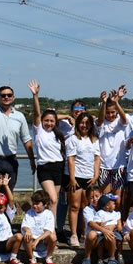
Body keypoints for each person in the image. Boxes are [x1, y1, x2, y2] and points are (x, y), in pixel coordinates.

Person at [0, 54, 33, 199]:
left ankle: (7, 215)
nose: (6, 97)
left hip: (11, 161)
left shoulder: (20, 116)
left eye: (9, 95)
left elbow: (27, 140)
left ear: (13, 97)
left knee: (8, 196)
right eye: (3, 95)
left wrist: (32, 161)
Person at [27, 80, 65, 222]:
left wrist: (68, 116)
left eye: (52, 121)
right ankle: (51, 230)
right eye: (46, 120)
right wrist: (35, 96)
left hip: (59, 167)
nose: (49, 123)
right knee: (53, 200)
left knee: (52, 202)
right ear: (42, 121)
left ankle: (47, 227)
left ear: (55, 122)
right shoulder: (39, 131)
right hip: (45, 168)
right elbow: (37, 114)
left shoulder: (58, 134)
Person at [66, 111, 101, 248]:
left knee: (86, 207)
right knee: (74, 206)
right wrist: (72, 178)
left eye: (87, 123)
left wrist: (96, 176)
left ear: (91, 125)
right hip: (76, 177)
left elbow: (97, 159)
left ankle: (85, 232)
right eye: (82, 123)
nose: (84, 125)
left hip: (89, 177)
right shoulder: (73, 139)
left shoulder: (95, 140)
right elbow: (71, 159)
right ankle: (74, 234)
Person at [56, 99, 86, 241]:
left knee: (81, 203)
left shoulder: (86, 124)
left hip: (82, 168)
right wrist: (67, 117)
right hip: (65, 166)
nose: (78, 111)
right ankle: (60, 229)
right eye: (75, 109)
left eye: (81, 109)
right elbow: (49, 117)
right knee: (64, 201)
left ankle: (80, 230)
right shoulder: (65, 124)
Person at [96, 88, 128, 207]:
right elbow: (100, 121)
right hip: (104, 166)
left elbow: (124, 118)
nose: (110, 115)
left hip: (118, 165)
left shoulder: (120, 122)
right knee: (106, 200)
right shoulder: (100, 123)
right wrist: (104, 103)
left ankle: (117, 218)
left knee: (117, 201)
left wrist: (116, 102)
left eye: (113, 112)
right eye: (108, 113)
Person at [85, 193, 123, 264]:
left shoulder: (116, 213)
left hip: (114, 231)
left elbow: (118, 222)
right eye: (113, 203)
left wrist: (118, 225)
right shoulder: (100, 213)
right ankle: (100, 258)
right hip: (102, 232)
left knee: (119, 240)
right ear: (107, 206)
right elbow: (95, 222)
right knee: (101, 244)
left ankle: (117, 256)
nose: (115, 204)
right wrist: (101, 225)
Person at [21, 190, 57, 264]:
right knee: (27, 235)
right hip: (31, 241)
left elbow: (48, 230)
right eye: (33, 203)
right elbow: (24, 225)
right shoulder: (29, 212)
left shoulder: (48, 214)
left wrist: (37, 240)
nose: (34, 206)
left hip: (43, 241)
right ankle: (32, 258)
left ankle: (48, 257)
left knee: (53, 237)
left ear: (45, 204)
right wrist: (27, 230)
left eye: (37, 204)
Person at [79, 186, 103, 264]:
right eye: (91, 197)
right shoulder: (87, 209)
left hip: (103, 237)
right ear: (87, 199)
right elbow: (91, 223)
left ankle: (106, 258)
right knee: (92, 234)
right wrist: (103, 228)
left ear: (101, 195)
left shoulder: (106, 208)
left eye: (97, 196)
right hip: (92, 240)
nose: (95, 199)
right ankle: (87, 257)